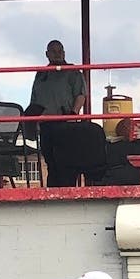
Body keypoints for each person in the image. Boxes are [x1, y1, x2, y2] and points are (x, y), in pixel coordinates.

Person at [28, 41, 90, 188]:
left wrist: (73, 114)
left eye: (60, 51)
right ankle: (53, 192)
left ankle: (68, 192)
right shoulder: (41, 74)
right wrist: (32, 121)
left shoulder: (72, 71)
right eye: (54, 51)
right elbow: (34, 99)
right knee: (51, 162)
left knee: (66, 162)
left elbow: (81, 94)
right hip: (45, 124)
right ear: (47, 54)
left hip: (65, 122)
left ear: (64, 52)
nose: (57, 54)